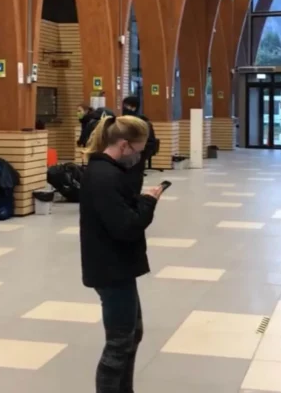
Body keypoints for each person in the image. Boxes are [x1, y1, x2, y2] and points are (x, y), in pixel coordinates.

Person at [79, 115, 165, 393]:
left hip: (118, 265)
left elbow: (120, 211)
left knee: (132, 334)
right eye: (138, 152)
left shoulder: (108, 172)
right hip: (110, 268)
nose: (139, 158)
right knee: (118, 343)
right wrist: (149, 202)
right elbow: (126, 226)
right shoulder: (104, 177)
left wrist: (141, 200)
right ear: (125, 146)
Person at [121, 95, 158, 192]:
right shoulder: (120, 122)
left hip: (137, 161)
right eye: (124, 106)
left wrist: (140, 156)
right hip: (121, 161)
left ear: (134, 107)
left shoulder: (143, 123)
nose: (125, 109)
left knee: (134, 185)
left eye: (127, 106)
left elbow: (151, 143)